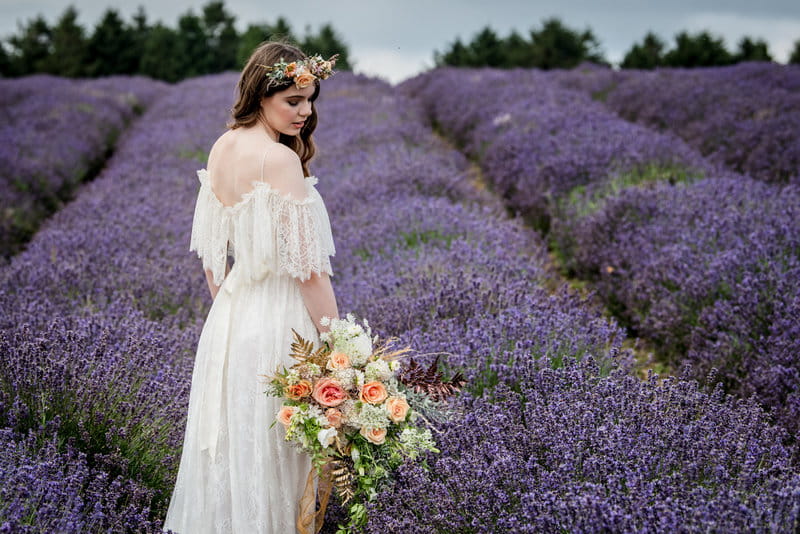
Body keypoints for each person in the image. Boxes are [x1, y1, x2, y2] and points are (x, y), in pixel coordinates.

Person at [163, 40, 339, 533]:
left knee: (235, 458)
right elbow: (308, 272)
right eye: (293, 101)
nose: (305, 112)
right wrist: (339, 348)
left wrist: (232, 318)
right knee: (278, 463)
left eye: (310, 100)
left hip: (229, 324)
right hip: (281, 329)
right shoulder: (277, 161)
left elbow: (212, 260)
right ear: (262, 94)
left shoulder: (222, 146)